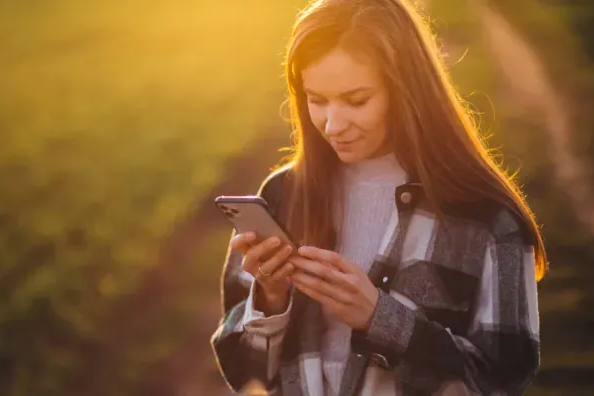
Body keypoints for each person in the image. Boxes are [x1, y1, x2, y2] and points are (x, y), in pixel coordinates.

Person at [210, 0, 546, 395]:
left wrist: (381, 319)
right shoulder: (282, 194)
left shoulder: (487, 218)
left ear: (407, 91)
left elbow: (503, 381)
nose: (333, 126)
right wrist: (270, 298)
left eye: (356, 100)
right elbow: (244, 375)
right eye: (316, 100)